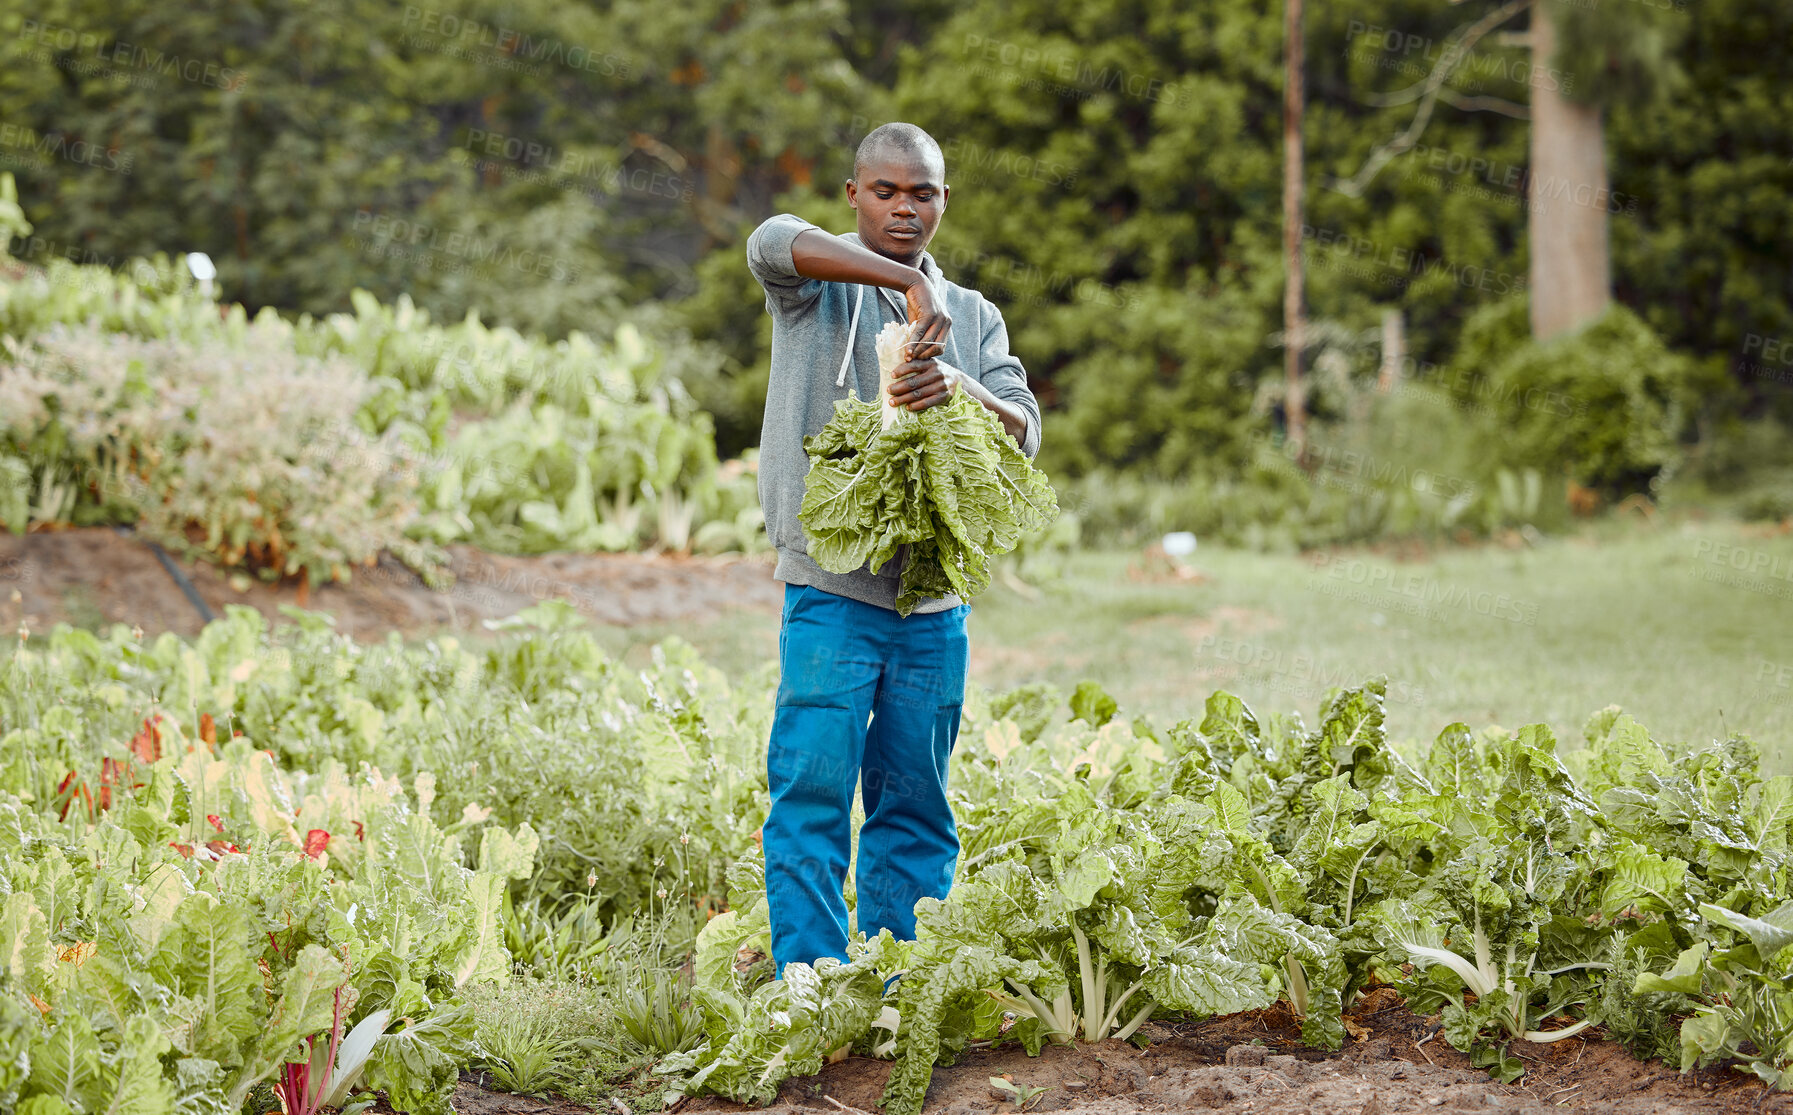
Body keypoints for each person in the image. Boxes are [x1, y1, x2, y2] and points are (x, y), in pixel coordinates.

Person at [745, 123, 1043, 979]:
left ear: (944, 199)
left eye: (923, 193)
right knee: (810, 787)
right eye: (885, 191)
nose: (904, 207)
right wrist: (906, 283)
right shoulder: (815, 294)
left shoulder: (975, 316)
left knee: (914, 798)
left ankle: (894, 974)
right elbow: (769, 242)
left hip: (931, 601)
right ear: (853, 195)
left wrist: (959, 384)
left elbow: (1025, 430)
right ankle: (809, 978)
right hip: (829, 592)